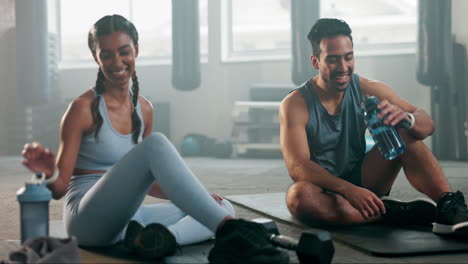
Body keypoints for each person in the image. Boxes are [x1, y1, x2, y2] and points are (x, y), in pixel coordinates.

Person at [21, 14, 289, 262]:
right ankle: (233, 233)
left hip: (128, 218)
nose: (117, 62)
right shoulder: (82, 109)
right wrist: (49, 174)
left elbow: (146, 181)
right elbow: (59, 189)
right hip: (88, 221)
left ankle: (163, 240)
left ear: (135, 50)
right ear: (96, 57)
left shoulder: (145, 109)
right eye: (107, 54)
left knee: (222, 206)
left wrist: (200, 198)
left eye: (124, 51)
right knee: (158, 146)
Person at [280, 18, 468, 236]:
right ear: (315, 62)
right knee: (298, 198)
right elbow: (298, 167)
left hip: (366, 178)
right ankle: (389, 212)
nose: (343, 67)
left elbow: (427, 125)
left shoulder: (367, 88)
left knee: (406, 133)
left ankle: (447, 206)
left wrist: (409, 119)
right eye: (332, 60)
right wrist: (347, 190)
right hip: (324, 189)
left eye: (348, 57)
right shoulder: (295, 104)